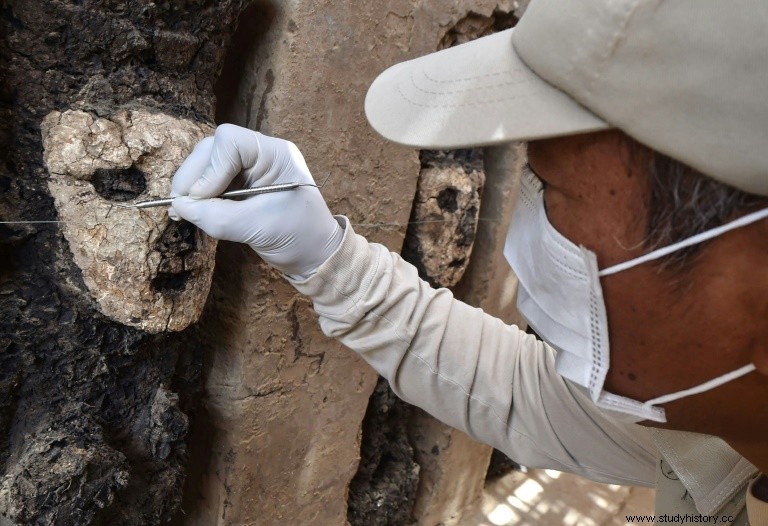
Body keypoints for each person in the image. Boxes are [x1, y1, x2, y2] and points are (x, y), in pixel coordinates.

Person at [168, 0, 768, 522]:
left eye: (555, 192)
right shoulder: (723, 432)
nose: (515, 238)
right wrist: (331, 263)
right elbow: (521, 396)